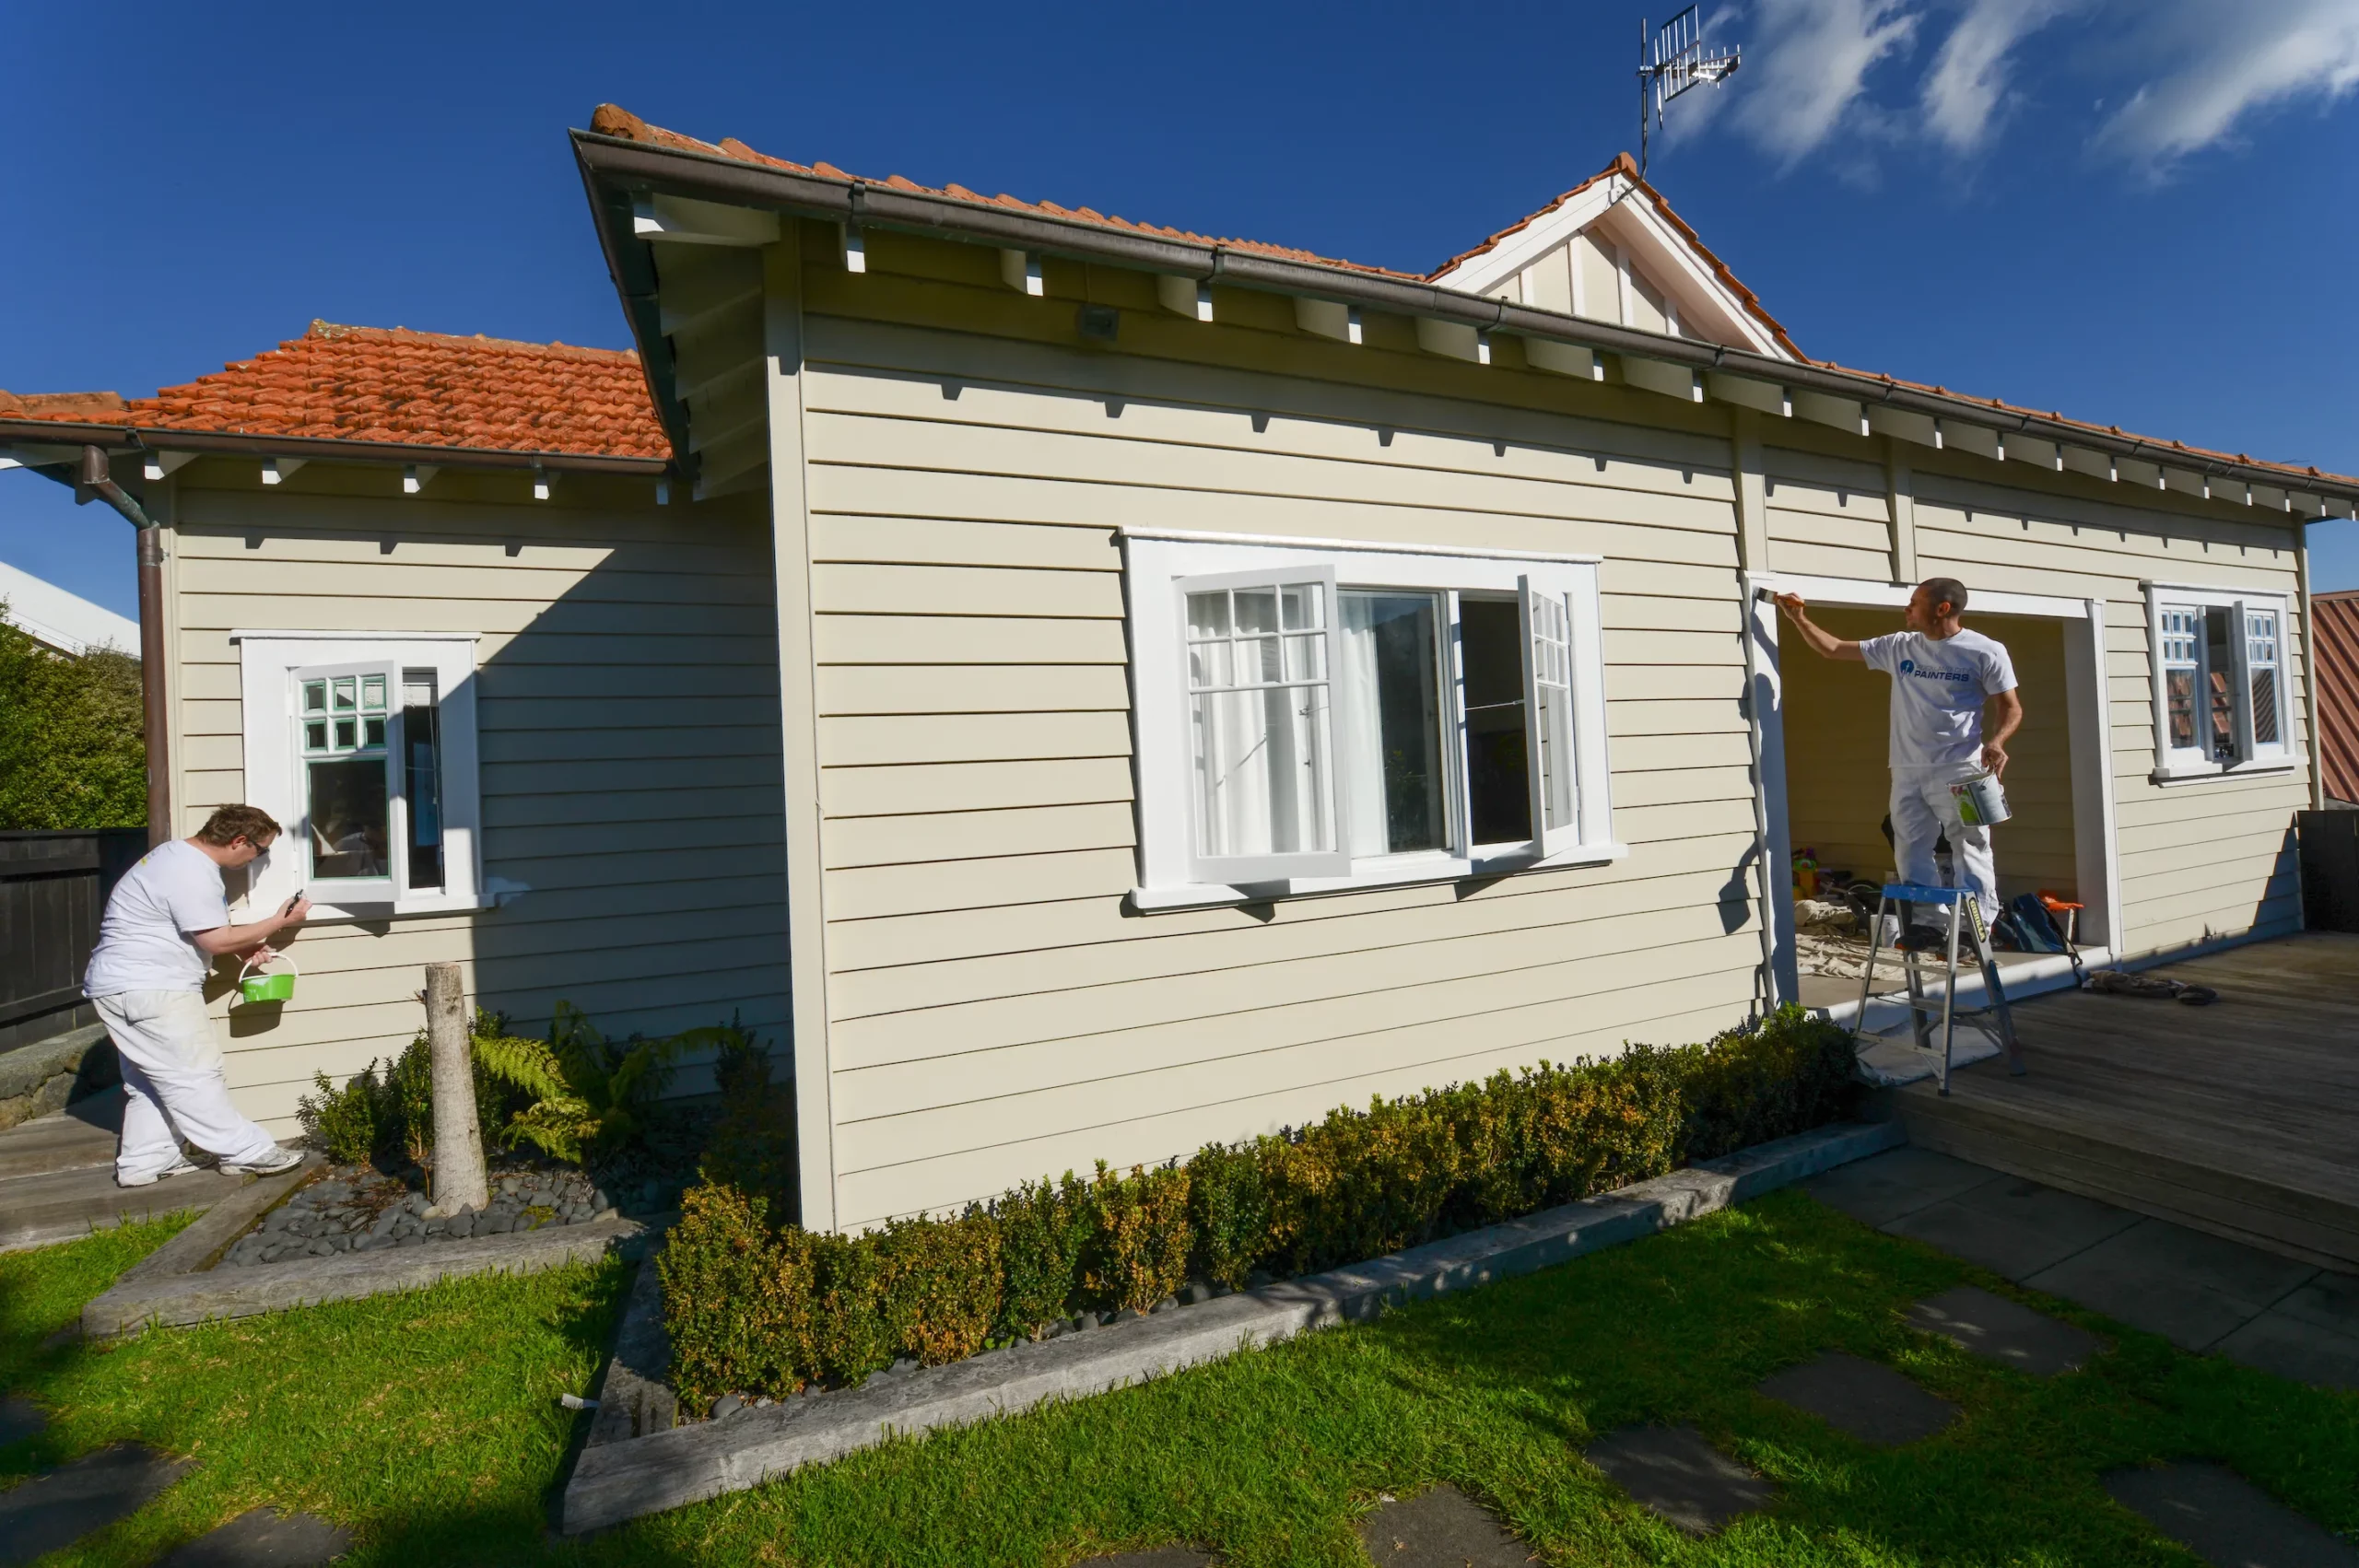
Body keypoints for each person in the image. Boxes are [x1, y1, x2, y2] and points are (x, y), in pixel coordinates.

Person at [83, 804, 313, 1187]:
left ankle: (147, 1160)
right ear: (239, 841)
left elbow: (193, 931)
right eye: (261, 849)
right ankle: (246, 1151)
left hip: (123, 985)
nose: (261, 857)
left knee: (149, 1079)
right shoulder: (190, 871)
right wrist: (279, 920)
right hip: (152, 988)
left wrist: (241, 947)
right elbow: (214, 938)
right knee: (195, 1073)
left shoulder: (173, 859)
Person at [1774, 578, 2023, 931]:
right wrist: (1798, 618)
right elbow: (1832, 649)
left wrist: (1997, 742)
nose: (1907, 609)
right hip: (1907, 769)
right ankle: (1928, 924)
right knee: (1910, 847)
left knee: (1970, 844)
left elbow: (2011, 708)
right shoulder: (1899, 646)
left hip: (1962, 767)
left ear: (1942, 609)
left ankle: (1975, 926)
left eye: (1915, 602)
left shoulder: (1984, 650)